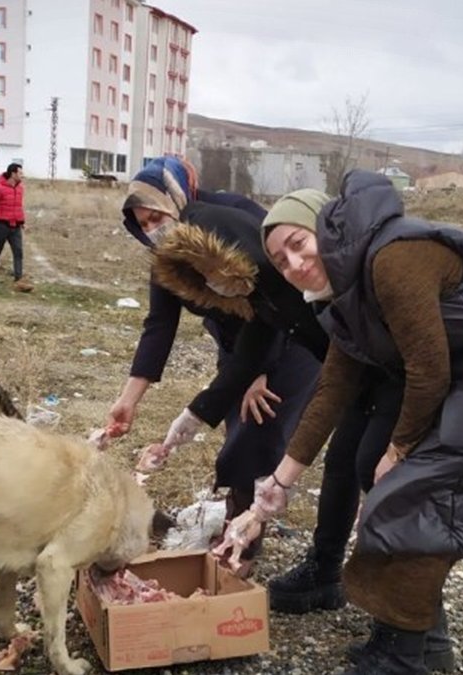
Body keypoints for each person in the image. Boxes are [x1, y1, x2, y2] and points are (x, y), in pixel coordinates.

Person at [216, 170, 463, 675]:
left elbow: (428, 366)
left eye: (299, 245)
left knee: (415, 493)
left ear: (325, 230)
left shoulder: (391, 258)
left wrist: (400, 451)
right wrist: (276, 487)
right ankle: (421, 641)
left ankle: (403, 653)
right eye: (281, 261)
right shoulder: (345, 298)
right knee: (406, 491)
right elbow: (332, 390)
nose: (295, 265)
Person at [105, 156, 318, 567]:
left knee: (258, 428)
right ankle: (238, 520)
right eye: (143, 225)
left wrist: (259, 371)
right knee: (236, 426)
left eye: (156, 217)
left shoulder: (231, 220)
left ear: (176, 198)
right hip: (241, 345)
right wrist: (128, 400)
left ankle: (244, 541)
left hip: (289, 339)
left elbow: (274, 298)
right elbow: (159, 326)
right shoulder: (168, 255)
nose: (153, 230)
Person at [0, 163, 33, 292]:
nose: (22, 175)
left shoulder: (20, 189)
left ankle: (18, 281)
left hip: (15, 227)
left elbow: (18, 208)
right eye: (20, 173)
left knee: (18, 252)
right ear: (13, 174)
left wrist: (22, 223)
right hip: (1, 226)